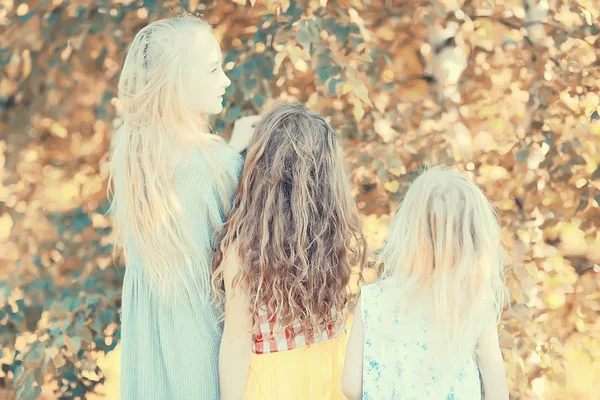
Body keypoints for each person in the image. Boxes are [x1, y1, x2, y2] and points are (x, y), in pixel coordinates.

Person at [109, 15, 258, 399]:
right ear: (176, 82)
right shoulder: (221, 168)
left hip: (147, 374)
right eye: (212, 69)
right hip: (204, 370)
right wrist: (238, 156)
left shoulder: (136, 164)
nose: (225, 80)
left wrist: (231, 150)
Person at [212, 103, 368, 399]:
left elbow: (236, 342)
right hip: (326, 383)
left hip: (269, 388)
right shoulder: (332, 242)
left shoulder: (245, 252)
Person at [342, 166, 510, 400]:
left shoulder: (372, 300)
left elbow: (351, 386)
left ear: (409, 231)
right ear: (475, 238)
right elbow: (497, 392)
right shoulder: (473, 305)